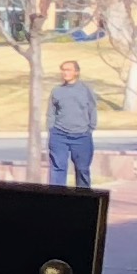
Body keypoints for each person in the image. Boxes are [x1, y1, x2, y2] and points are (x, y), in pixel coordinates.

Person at [45, 61, 99, 189]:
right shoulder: (57, 91)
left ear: (76, 72)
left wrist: (90, 128)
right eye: (63, 70)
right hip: (59, 135)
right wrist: (51, 128)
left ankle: (83, 197)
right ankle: (57, 197)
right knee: (58, 168)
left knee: (82, 169)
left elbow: (92, 109)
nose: (65, 72)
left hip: (82, 135)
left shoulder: (86, 90)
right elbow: (51, 112)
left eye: (68, 70)